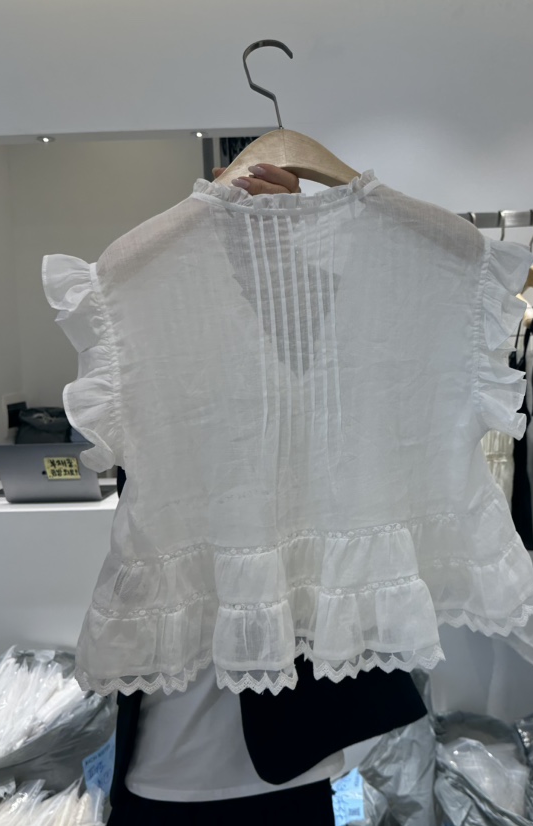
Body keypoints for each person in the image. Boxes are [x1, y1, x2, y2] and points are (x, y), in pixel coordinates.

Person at [106, 164, 427, 826]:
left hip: (287, 754)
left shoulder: (335, 346)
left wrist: (289, 259)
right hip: (159, 757)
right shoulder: (154, 335)